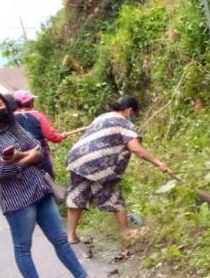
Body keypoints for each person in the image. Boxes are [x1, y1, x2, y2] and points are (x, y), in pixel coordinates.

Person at [0, 90, 114, 278]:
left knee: (59, 239)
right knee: (23, 248)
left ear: (6, 105)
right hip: (17, 200)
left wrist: (20, 157)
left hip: (40, 191)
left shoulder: (15, 127)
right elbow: (0, 170)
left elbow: (38, 149)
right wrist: (27, 158)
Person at [64, 96, 171, 243]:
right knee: (113, 195)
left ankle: (71, 235)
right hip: (99, 162)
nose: (132, 117)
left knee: (77, 195)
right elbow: (135, 148)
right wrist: (158, 162)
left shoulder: (102, 117)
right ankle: (127, 232)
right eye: (133, 114)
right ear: (129, 110)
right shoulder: (124, 123)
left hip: (77, 159)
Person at [13, 90, 67, 178]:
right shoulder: (37, 115)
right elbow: (50, 136)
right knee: (48, 179)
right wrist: (62, 136)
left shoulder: (10, 118)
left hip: (20, 155)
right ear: (30, 102)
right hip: (39, 152)